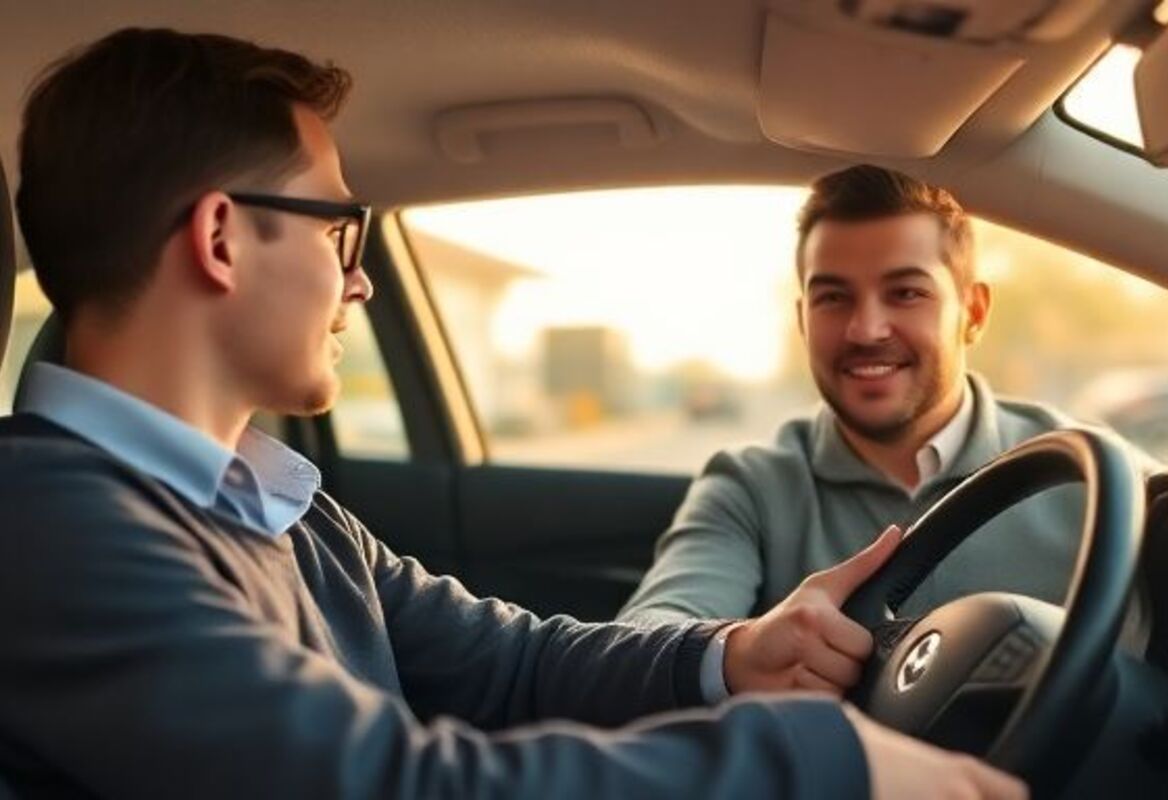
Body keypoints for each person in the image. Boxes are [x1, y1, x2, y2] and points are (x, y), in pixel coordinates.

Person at [0, 29, 1025, 800]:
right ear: (221, 238)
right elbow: (387, 783)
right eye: (339, 232)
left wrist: (730, 655)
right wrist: (817, 756)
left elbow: (513, 663)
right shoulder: (44, 524)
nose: (358, 287)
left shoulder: (277, 506)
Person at [620, 165, 1100, 700]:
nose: (866, 329)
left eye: (905, 293)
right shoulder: (751, 484)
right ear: (803, 320)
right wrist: (742, 648)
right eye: (833, 298)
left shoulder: (1091, 474)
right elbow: (641, 640)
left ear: (974, 311)